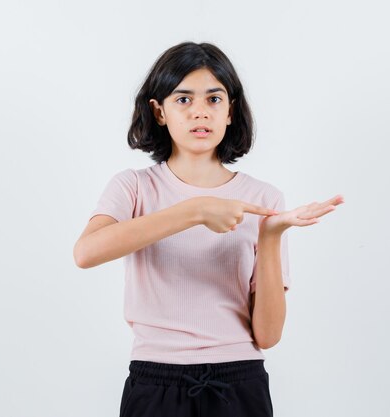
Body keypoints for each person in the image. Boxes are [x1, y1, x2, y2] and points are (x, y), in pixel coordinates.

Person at [73, 41, 344, 417]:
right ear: (159, 111)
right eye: (183, 100)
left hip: (239, 383)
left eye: (214, 100)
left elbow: (268, 336)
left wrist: (271, 235)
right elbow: (86, 253)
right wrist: (196, 210)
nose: (200, 112)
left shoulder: (263, 197)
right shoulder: (133, 187)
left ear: (231, 110)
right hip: (155, 381)